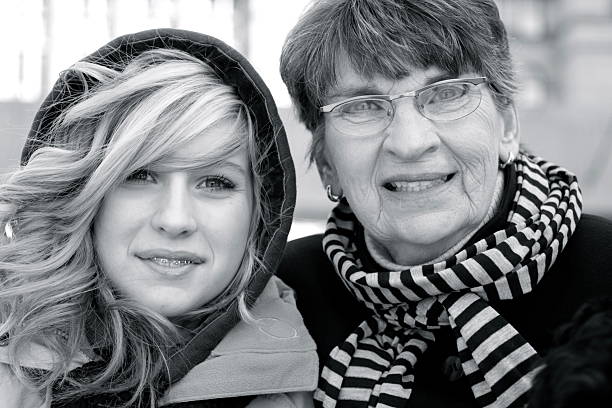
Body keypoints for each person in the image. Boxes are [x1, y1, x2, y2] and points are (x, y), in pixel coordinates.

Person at [277, 0, 612, 407]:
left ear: (506, 125)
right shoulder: (281, 299)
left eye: (446, 93)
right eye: (362, 106)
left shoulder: (604, 271)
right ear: (326, 161)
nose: (411, 142)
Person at [0, 29, 317, 407]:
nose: (175, 219)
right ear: (84, 194)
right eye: (139, 175)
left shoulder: (323, 372)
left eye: (215, 182)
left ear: (261, 215)